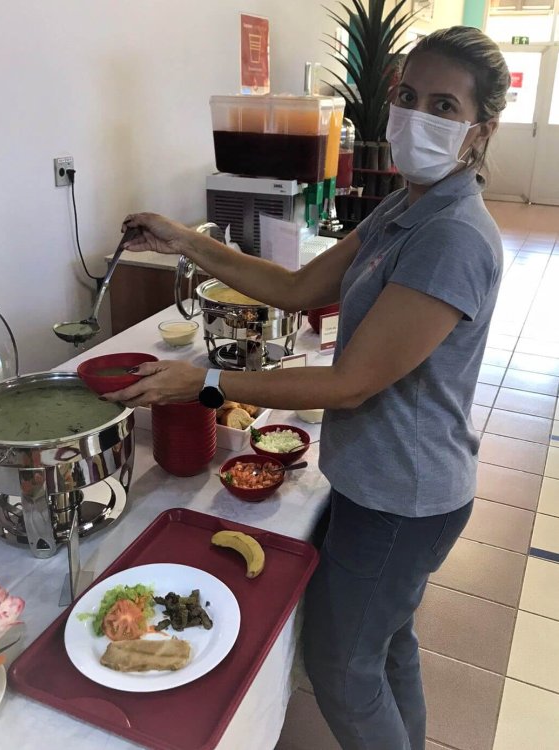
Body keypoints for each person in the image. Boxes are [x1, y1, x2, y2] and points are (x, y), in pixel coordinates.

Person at [105, 26, 510, 750]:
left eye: (443, 106)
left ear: (479, 132)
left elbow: (351, 383)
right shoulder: (404, 208)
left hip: (401, 496)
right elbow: (294, 289)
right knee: (386, 646)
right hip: (380, 481)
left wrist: (205, 384)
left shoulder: (451, 235)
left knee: (341, 666)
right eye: (409, 96)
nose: (417, 116)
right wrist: (187, 241)